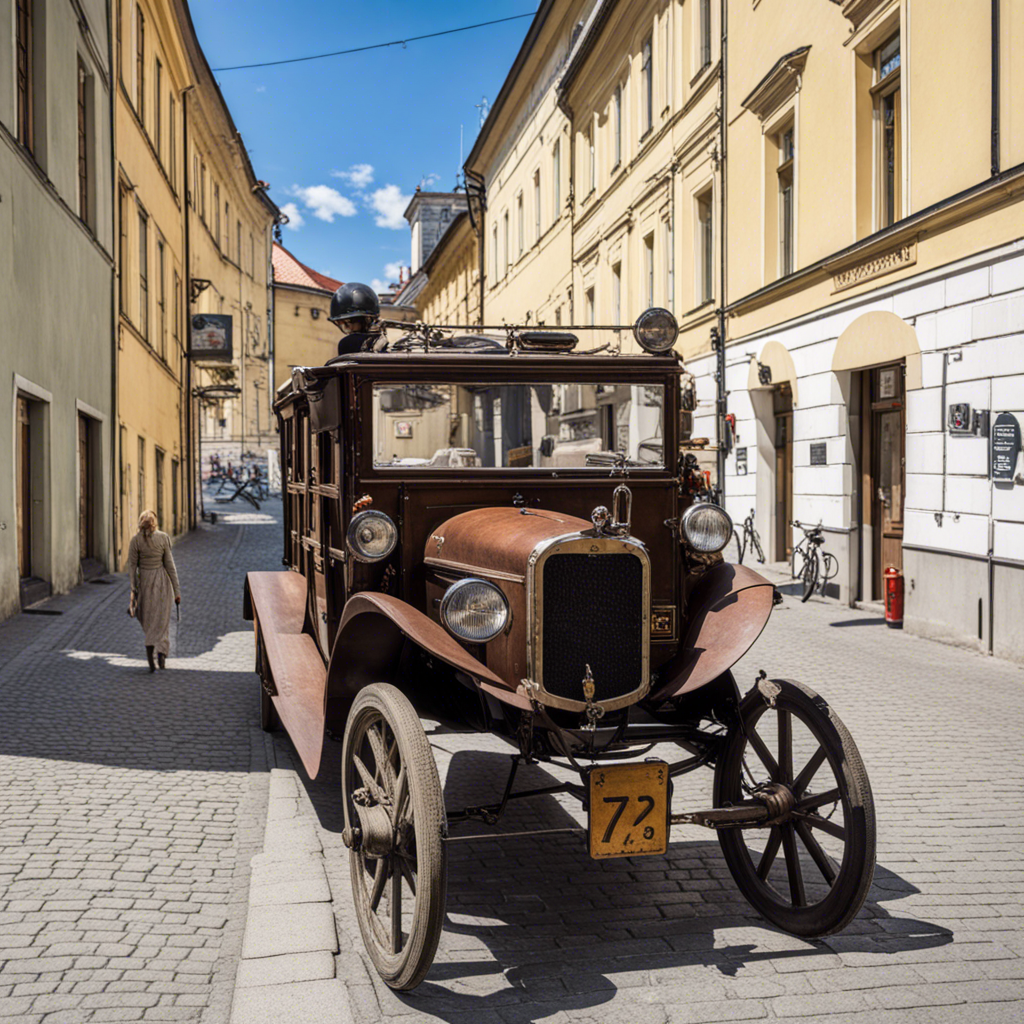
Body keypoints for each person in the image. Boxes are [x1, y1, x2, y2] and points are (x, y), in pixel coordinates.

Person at [126, 510, 181, 672]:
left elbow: (132, 566)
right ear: (155, 523)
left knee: (148, 619)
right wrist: (177, 590)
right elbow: (170, 566)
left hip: (144, 583)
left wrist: (133, 588)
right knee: (163, 621)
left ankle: (150, 648)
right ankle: (161, 653)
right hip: (162, 583)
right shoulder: (163, 538)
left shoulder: (135, 541)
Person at [329, 281, 383, 355]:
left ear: (366, 320)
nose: (349, 329)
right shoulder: (386, 341)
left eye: (349, 323)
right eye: (342, 323)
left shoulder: (347, 343)